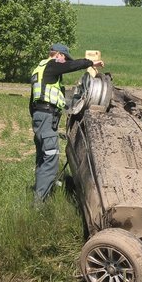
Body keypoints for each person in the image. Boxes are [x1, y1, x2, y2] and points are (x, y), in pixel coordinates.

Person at [30, 43, 104, 203]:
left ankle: (40, 194)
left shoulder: (39, 69)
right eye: (64, 58)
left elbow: (32, 100)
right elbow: (72, 66)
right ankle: (40, 204)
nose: (64, 62)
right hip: (47, 116)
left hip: (39, 117)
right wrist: (90, 63)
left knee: (42, 158)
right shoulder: (52, 65)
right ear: (58, 55)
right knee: (50, 158)